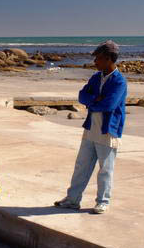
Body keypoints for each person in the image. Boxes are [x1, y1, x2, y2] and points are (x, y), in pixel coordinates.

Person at [54, 40, 127, 214]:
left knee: (105, 169)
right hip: (90, 128)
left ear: (109, 59)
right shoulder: (96, 77)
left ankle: (103, 201)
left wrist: (92, 101)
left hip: (107, 130)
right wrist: (96, 100)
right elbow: (81, 96)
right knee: (82, 166)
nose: (95, 62)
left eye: (99, 58)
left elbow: (109, 105)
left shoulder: (119, 82)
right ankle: (72, 199)